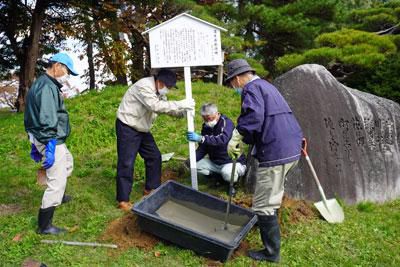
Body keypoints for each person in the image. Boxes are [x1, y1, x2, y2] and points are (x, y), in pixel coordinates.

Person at [225, 59, 303, 262]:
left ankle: (271, 252)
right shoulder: (267, 86)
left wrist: (237, 135)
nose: (234, 87)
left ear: (238, 78)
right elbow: (272, 117)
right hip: (291, 146)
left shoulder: (251, 89)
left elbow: (254, 117)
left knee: (262, 204)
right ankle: (267, 226)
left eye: (232, 83)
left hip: (276, 151)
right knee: (273, 195)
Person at [116, 69, 195, 211]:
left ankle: (151, 189)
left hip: (142, 128)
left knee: (154, 156)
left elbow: (166, 109)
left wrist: (183, 113)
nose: (168, 90)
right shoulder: (144, 86)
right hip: (128, 126)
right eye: (168, 86)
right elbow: (156, 107)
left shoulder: (159, 92)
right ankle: (123, 200)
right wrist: (181, 103)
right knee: (126, 163)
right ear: (160, 82)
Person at [24, 52, 78, 235]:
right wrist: (50, 145)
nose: (67, 75)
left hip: (45, 136)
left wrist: (33, 139)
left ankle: (60, 196)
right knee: (56, 181)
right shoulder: (47, 88)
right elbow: (47, 118)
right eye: (67, 71)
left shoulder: (42, 83)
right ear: (57, 66)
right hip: (50, 138)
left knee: (68, 163)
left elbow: (31, 114)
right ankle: (45, 226)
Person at [186, 103, 246, 191]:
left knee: (227, 172)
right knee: (195, 165)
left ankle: (233, 185)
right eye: (205, 119)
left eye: (210, 118)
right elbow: (204, 147)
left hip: (232, 162)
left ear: (217, 114)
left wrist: (202, 138)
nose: (208, 122)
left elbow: (222, 139)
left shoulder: (226, 123)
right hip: (215, 162)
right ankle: (218, 177)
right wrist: (192, 159)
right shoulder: (206, 127)